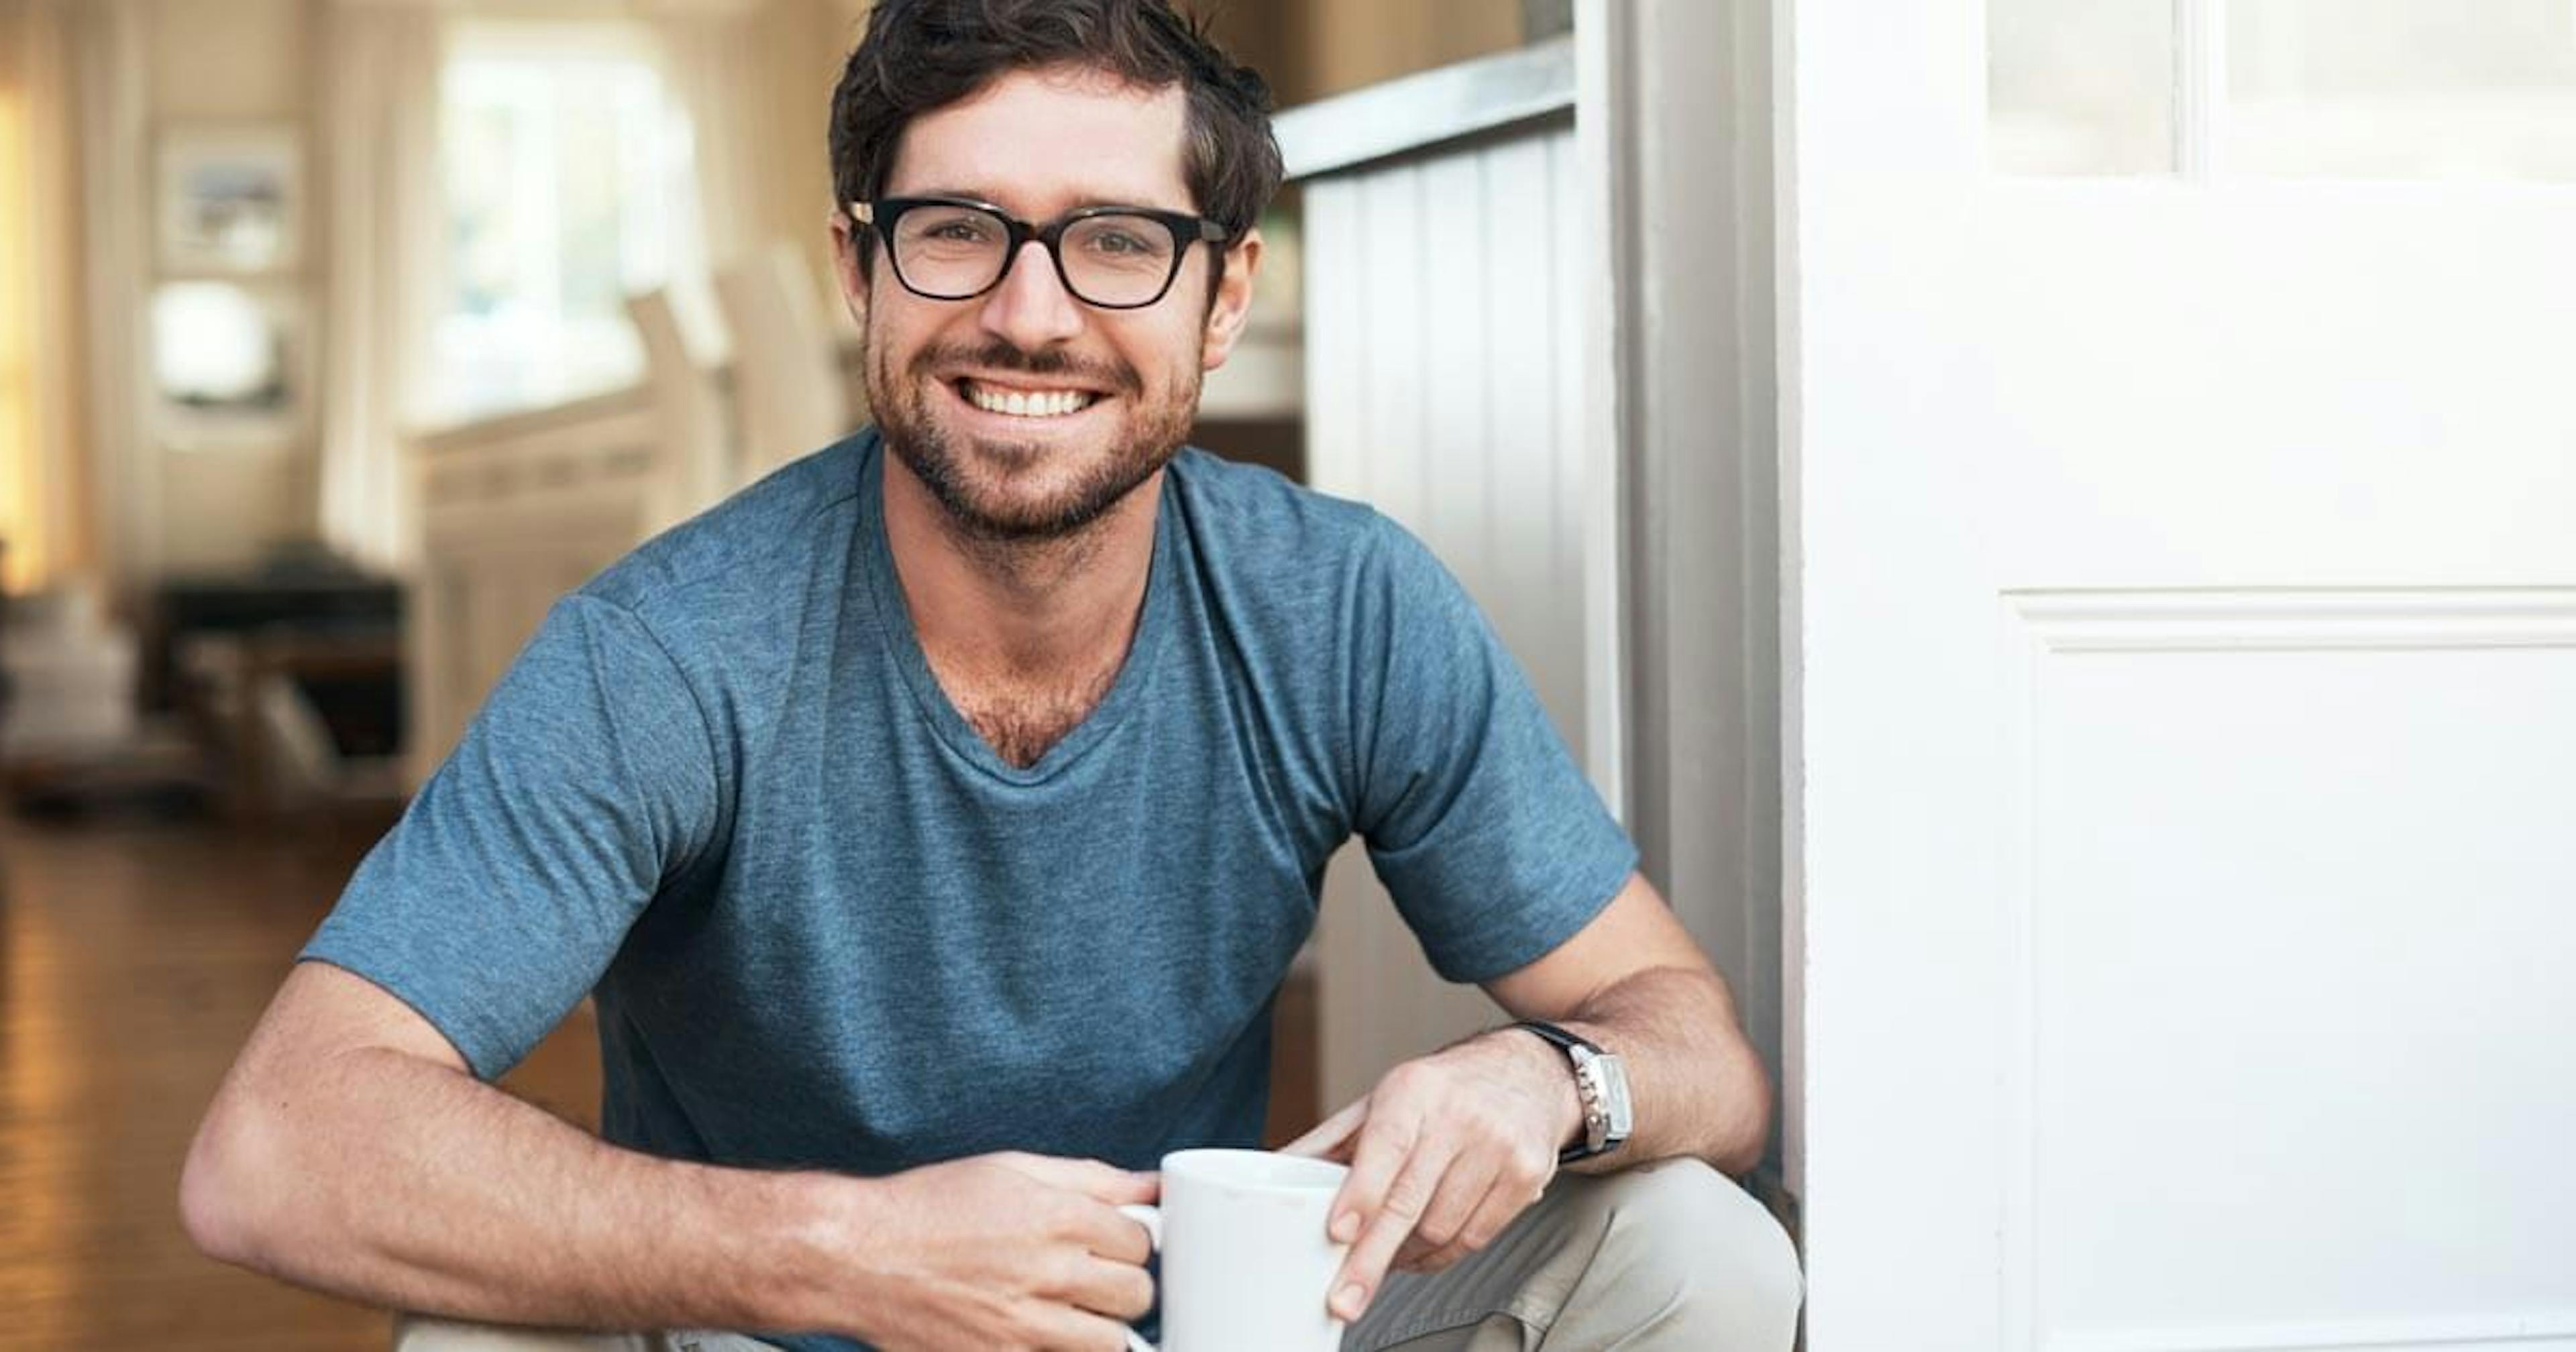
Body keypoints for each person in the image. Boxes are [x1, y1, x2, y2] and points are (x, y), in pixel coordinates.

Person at [179, 2, 1801, 1349]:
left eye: (1118, 243)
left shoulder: (1344, 604)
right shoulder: (664, 655)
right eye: (958, 234)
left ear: (1223, 295)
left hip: (1181, 1323)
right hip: (753, 1321)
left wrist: (1547, 1073)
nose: (1032, 317)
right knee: (471, 1336)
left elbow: (1703, 1063)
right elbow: (276, 1149)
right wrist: (847, 1253)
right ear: (858, 269)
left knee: (1693, 1248)